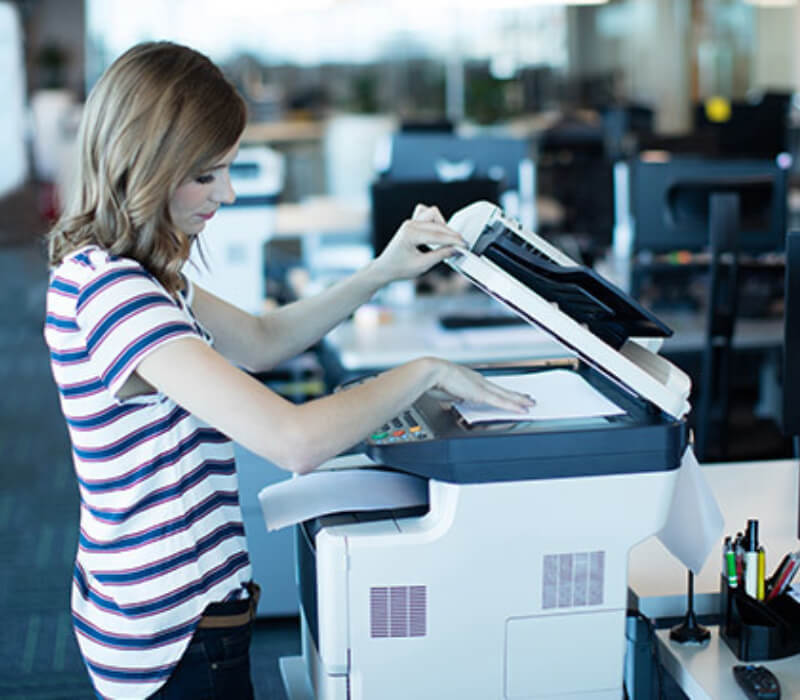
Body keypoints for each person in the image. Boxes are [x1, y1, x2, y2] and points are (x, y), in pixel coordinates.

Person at [44, 41, 534, 699]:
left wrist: (382, 270)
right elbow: (294, 442)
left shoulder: (130, 273)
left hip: (157, 614)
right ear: (146, 165)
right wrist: (424, 372)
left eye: (229, 169)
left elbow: (262, 340)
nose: (228, 192)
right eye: (206, 174)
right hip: (174, 637)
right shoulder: (119, 294)